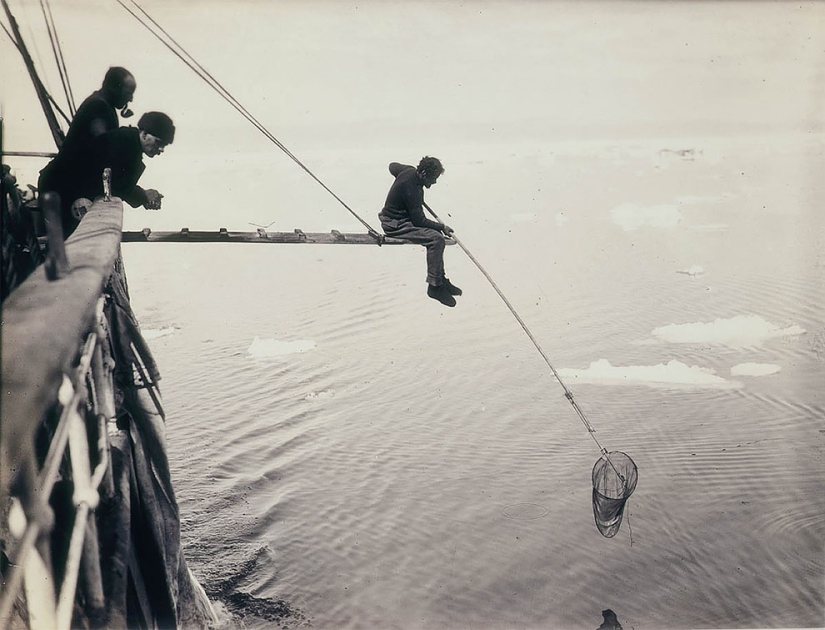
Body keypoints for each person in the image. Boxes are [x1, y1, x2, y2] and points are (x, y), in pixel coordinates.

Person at [38, 111, 174, 238]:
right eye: (158, 143)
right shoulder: (125, 143)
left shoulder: (128, 142)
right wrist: (144, 195)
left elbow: (119, 184)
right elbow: (118, 186)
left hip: (62, 187)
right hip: (58, 190)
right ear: (144, 135)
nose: (161, 149)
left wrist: (144, 196)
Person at [378, 156, 461, 307]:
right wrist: (442, 227)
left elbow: (392, 166)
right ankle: (435, 286)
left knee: (436, 237)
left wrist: (401, 182)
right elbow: (419, 221)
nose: (434, 182)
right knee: (436, 239)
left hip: (401, 219)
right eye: (433, 178)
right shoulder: (413, 189)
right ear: (423, 173)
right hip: (395, 224)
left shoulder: (408, 170)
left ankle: (440, 280)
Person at [62, 66, 137, 152]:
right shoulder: (98, 106)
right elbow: (103, 141)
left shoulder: (100, 102)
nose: (131, 99)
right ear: (114, 90)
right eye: (128, 93)